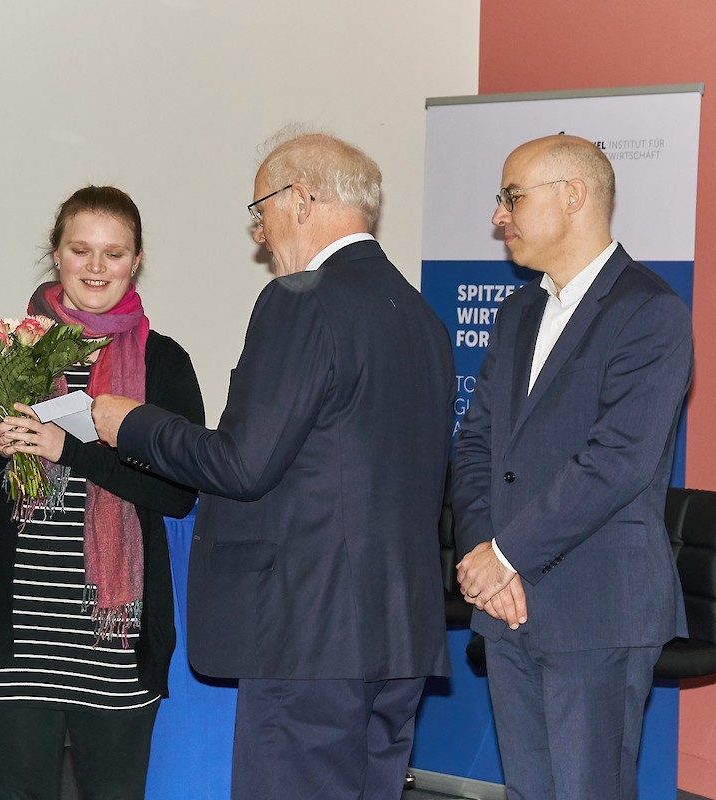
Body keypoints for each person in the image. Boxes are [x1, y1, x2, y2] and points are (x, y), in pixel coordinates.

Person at [91, 129, 455, 799]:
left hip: (308, 631)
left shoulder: (301, 299)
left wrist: (131, 423)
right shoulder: (421, 317)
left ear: (302, 200)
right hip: (399, 632)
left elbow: (242, 464)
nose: (259, 234)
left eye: (261, 210)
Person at [0, 185, 205, 800]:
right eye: (81, 250)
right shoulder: (3, 355)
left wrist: (71, 451)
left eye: (114, 253)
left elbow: (178, 496)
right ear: (56, 253)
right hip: (18, 635)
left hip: (115, 640)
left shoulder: (163, 363)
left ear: (136, 261)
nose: (96, 267)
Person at [452, 134, 693, 799]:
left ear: (573, 196)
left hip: (596, 608)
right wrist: (482, 555)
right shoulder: (519, 310)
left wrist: (506, 554)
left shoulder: (649, 311)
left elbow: (617, 461)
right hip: (507, 606)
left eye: (512, 197)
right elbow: (475, 445)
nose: (498, 216)